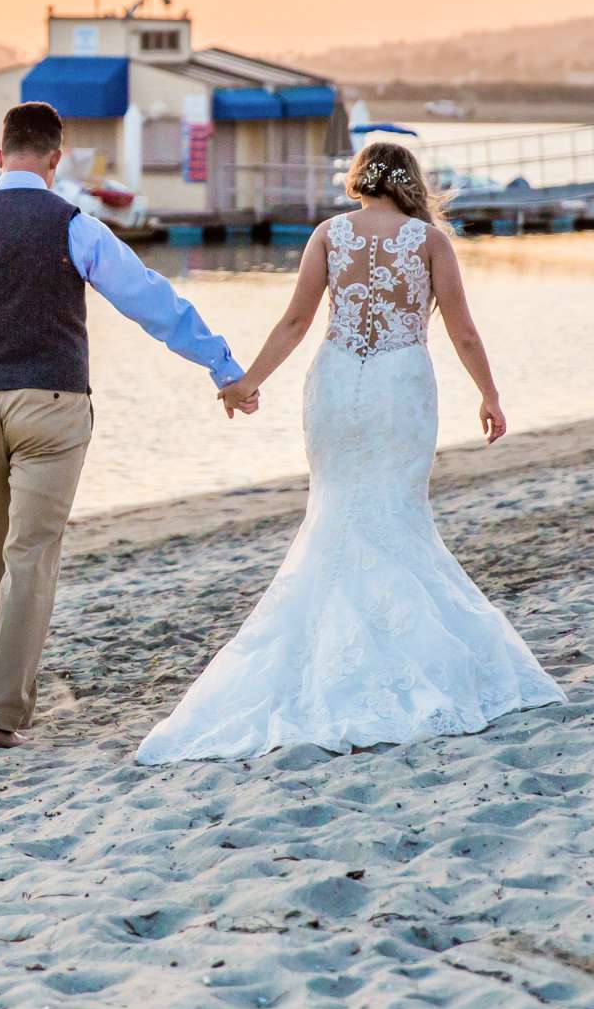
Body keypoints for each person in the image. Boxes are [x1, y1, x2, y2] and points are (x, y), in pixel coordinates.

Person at [136, 140, 564, 764]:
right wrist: (491, 395)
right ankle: (407, 652)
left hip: (336, 383)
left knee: (336, 514)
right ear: (410, 181)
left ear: (360, 179)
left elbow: (294, 324)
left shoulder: (329, 235)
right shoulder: (429, 241)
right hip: (399, 386)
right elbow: (462, 328)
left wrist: (248, 381)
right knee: (396, 514)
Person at [0, 101, 257, 750]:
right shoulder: (74, 226)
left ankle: (4, 700)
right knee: (29, 557)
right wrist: (221, 365)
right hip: (53, 406)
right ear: (55, 161)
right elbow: (151, 301)